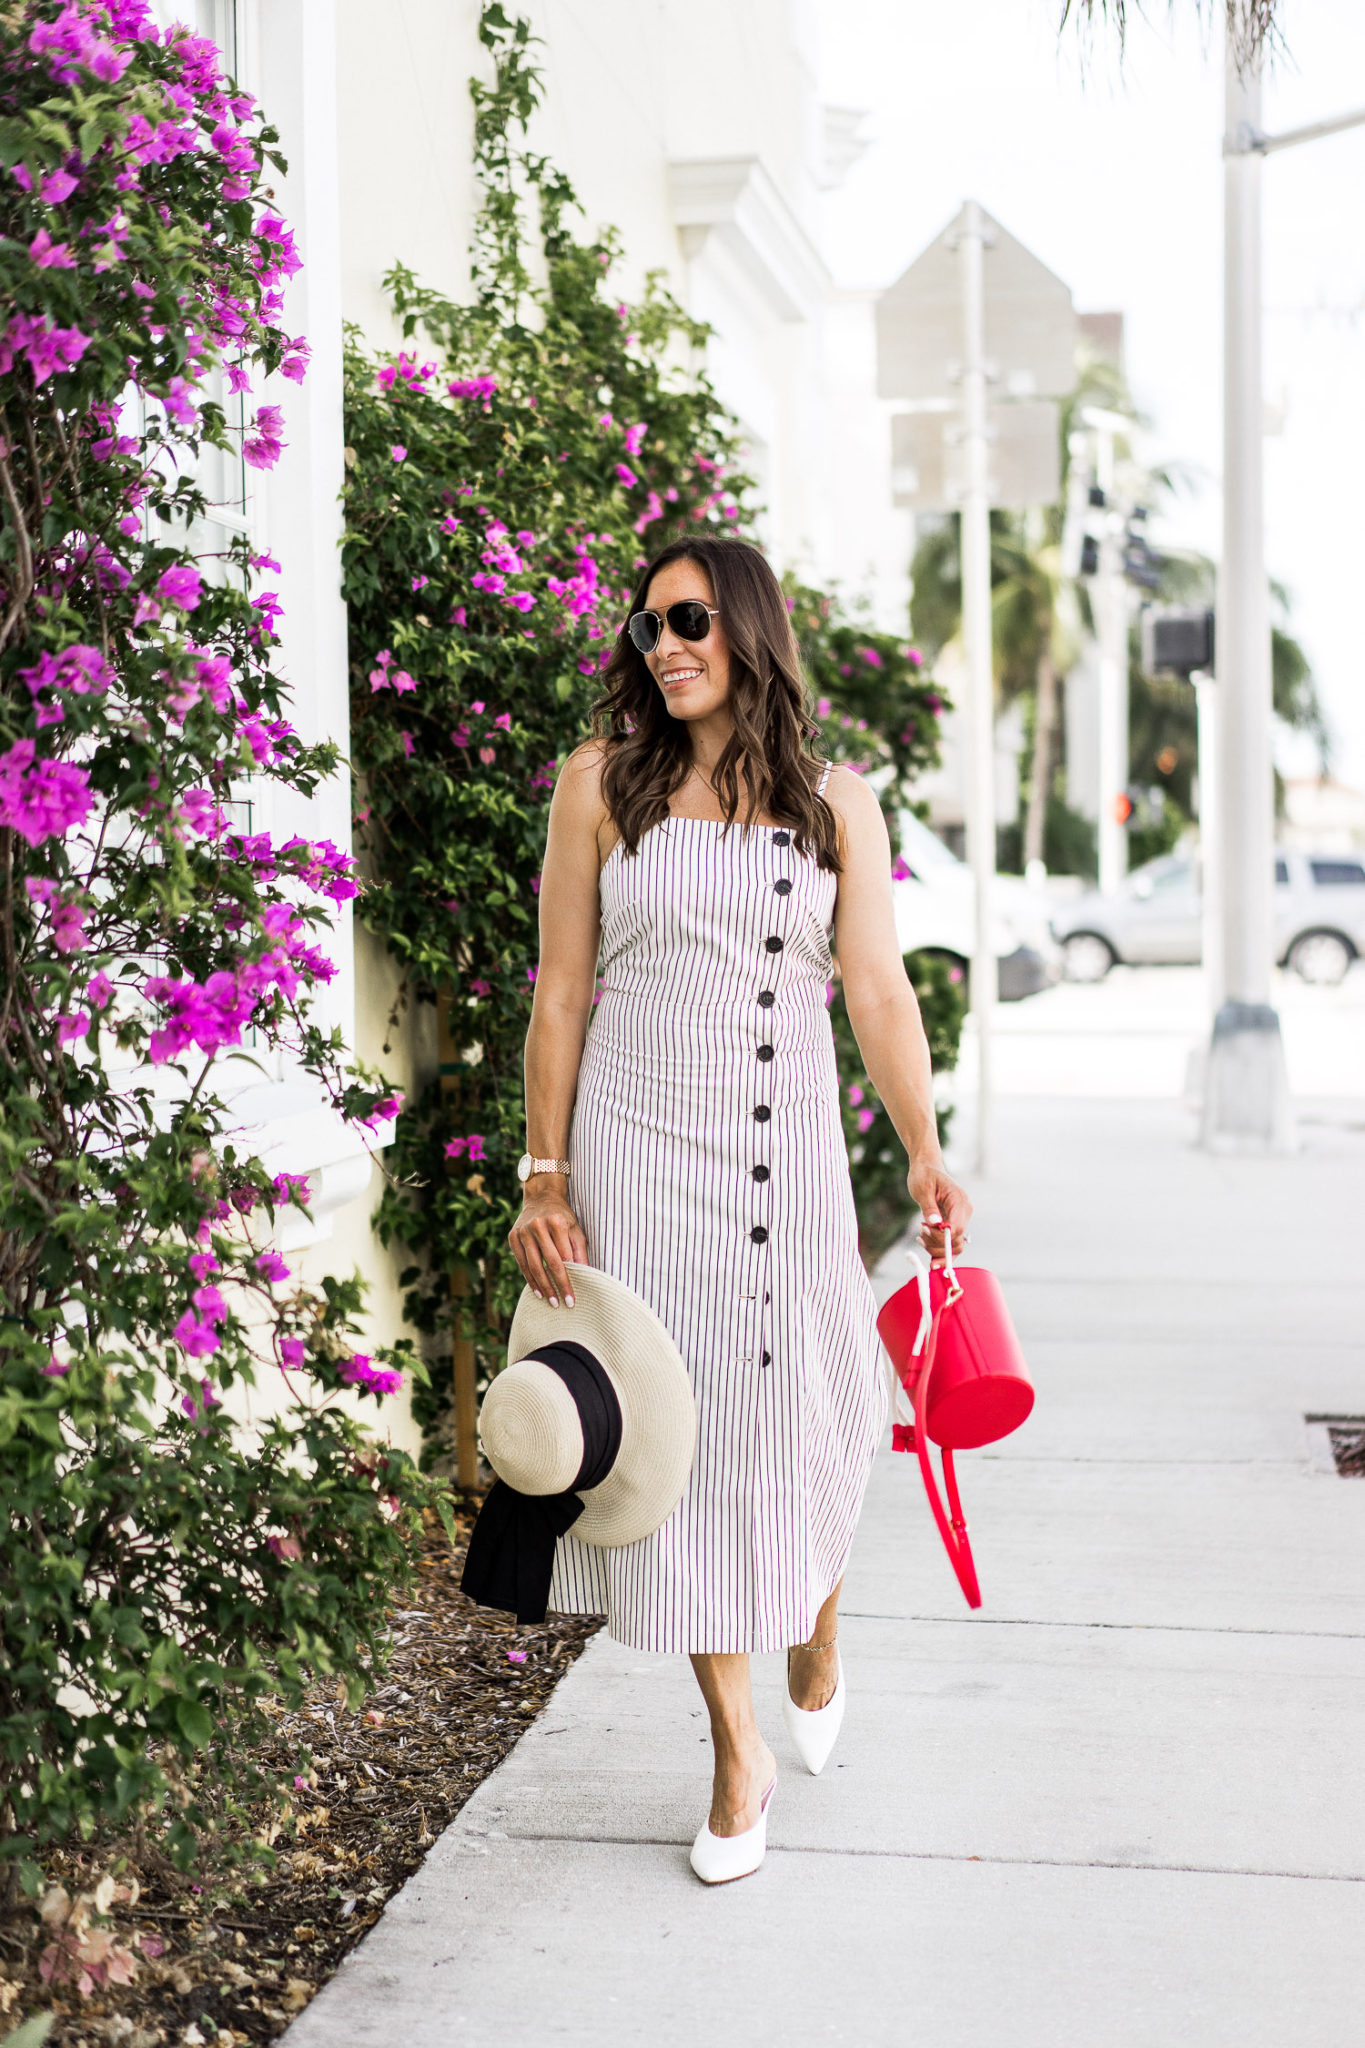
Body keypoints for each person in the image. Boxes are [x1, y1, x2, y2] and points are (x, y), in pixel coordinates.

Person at [508, 533, 971, 1879]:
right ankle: (732, 1746)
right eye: (648, 627)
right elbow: (557, 991)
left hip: (786, 1149)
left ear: (748, 627)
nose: (666, 645)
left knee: (815, 1406)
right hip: (638, 1150)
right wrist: (542, 1173)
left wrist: (926, 1152)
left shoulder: (835, 802)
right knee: (679, 1441)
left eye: (691, 618)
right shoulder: (597, 786)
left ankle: (813, 1622)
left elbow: (876, 992)